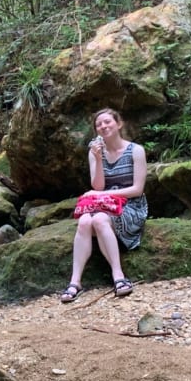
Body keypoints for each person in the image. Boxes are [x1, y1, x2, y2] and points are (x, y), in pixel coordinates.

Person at [61, 108, 148, 302]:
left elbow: (137, 189)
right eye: (99, 124)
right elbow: (98, 185)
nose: (103, 126)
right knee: (84, 221)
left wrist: (103, 194)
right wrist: (98, 158)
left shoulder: (136, 150)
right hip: (104, 204)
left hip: (130, 206)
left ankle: (118, 276)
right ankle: (75, 281)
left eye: (107, 122)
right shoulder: (94, 153)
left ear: (119, 124)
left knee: (99, 220)